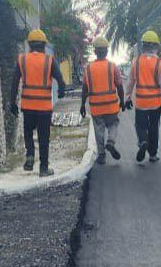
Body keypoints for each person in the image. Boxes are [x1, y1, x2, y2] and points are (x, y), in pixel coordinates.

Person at [9, 29, 66, 177]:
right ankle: (43, 168)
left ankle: (30, 155)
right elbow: (60, 80)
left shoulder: (22, 60)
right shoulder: (49, 60)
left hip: (27, 106)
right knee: (43, 138)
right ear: (44, 45)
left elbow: (14, 82)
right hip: (44, 108)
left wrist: (12, 103)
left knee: (28, 132)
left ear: (29, 45)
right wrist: (61, 91)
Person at [124, 30, 161, 164]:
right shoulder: (160, 63)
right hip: (156, 103)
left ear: (143, 46)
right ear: (156, 46)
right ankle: (153, 154)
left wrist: (127, 98)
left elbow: (130, 82)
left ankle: (143, 141)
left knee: (140, 126)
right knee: (154, 127)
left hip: (141, 102)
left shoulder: (136, 62)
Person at [80, 36, 124, 165]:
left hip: (96, 107)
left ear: (95, 52)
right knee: (113, 124)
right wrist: (122, 101)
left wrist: (82, 105)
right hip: (111, 106)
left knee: (99, 130)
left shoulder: (88, 69)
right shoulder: (112, 67)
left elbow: (84, 89)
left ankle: (102, 155)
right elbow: (119, 85)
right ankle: (111, 141)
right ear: (107, 51)